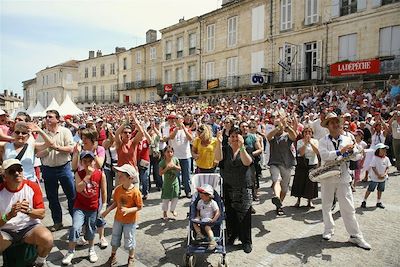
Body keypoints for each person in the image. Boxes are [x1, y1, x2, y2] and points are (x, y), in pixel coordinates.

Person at [318, 112, 371, 250]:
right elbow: (324, 155)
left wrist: (355, 151)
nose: (335, 125)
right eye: (332, 122)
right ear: (327, 126)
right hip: (327, 176)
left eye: (337, 122)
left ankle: (355, 236)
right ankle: (328, 229)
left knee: (348, 207)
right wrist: (340, 152)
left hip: (343, 177)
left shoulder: (348, 138)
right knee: (326, 204)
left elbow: (356, 157)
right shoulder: (323, 140)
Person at [0, 159, 54, 267]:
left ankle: (39, 262)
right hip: (6, 230)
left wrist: (29, 210)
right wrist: (9, 215)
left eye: (19, 170)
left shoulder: (32, 186)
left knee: (48, 239)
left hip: (29, 227)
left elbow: (42, 214)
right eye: (12, 171)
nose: (16, 173)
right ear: (4, 176)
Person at [62, 151, 107, 265]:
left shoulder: (100, 174)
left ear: (94, 161)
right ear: (81, 162)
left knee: (91, 228)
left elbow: (103, 190)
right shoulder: (79, 173)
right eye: (85, 161)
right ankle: (70, 251)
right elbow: (78, 189)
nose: (88, 164)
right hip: (80, 207)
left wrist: (104, 204)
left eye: (90, 161)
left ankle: (91, 249)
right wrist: (87, 176)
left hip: (93, 207)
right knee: (75, 227)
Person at [214, 127, 253, 253]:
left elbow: (247, 162)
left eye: (237, 136)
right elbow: (218, 159)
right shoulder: (225, 149)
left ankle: (246, 241)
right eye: (232, 136)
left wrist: (241, 147)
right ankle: (232, 236)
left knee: (245, 214)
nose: (235, 139)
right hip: (229, 185)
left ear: (241, 137)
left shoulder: (246, 148)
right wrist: (219, 142)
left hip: (243, 185)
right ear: (229, 138)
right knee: (230, 213)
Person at [36, 110, 75, 232]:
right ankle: (57, 222)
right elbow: (37, 154)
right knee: (52, 198)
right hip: (48, 169)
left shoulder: (65, 131)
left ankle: (76, 221)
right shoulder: (42, 134)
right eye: (46, 116)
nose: (47, 119)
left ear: (58, 119)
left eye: (50, 117)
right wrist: (48, 150)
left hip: (64, 167)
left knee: (72, 195)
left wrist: (55, 147)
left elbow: (71, 148)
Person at [101, 164, 143, 267]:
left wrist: (129, 210)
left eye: (121, 176)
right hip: (118, 219)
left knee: (129, 239)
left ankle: (131, 257)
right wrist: (107, 211)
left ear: (130, 178)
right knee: (115, 238)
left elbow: (139, 207)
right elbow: (116, 202)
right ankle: (113, 256)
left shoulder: (135, 192)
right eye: (118, 175)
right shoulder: (118, 189)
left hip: (130, 221)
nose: (118, 177)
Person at [267, 117, 297, 215]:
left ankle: (279, 205)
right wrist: (277, 128)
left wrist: (287, 126)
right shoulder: (272, 136)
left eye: (279, 125)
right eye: (275, 125)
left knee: (284, 188)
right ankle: (276, 196)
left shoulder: (287, 136)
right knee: (276, 179)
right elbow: (268, 137)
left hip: (287, 164)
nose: (278, 127)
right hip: (274, 163)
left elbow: (294, 136)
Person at [291, 127, 319, 208]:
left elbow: (317, 152)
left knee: (311, 182)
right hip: (302, 164)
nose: (307, 133)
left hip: (312, 163)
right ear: (303, 133)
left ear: (312, 133)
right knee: (300, 181)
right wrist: (306, 143)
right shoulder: (300, 141)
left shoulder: (315, 141)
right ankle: (298, 200)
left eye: (309, 132)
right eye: (306, 132)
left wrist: (310, 142)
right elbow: (301, 153)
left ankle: (310, 201)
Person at [168, 114, 193, 198]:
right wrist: (177, 129)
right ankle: (177, 191)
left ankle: (188, 191)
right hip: (176, 156)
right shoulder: (172, 129)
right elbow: (171, 137)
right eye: (176, 119)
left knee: (186, 176)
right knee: (176, 176)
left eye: (178, 118)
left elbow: (190, 139)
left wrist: (184, 129)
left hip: (186, 156)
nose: (176, 120)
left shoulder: (187, 129)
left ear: (182, 120)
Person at [361, 143, 391, 209]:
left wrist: (385, 174)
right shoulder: (375, 158)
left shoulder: (386, 159)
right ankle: (364, 201)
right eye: (382, 149)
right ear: (378, 150)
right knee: (370, 189)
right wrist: (378, 175)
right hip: (375, 178)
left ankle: (378, 202)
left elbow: (388, 167)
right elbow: (373, 167)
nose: (384, 150)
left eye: (385, 149)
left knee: (380, 190)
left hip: (383, 178)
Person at [192, 184, 220, 250]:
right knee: (194, 222)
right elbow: (198, 210)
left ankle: (212, 241)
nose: (200, 197)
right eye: (200, 195)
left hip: (209, 221)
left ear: (208, 196)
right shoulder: (200, 202)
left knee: (207, 227)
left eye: (202, 196)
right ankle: (199, 234)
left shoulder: (213, 203)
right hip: (201, 220)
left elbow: (218, 212)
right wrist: (198, 216)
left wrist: (214, 219)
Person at [159, 146, 181, 220]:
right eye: (167, 152)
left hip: (175, 183)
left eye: (171, 152)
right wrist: (167, 168)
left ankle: (172, 210)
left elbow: (179, 168)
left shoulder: (175, 160)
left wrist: (174, 166)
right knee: (166, 199)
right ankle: (165, 212)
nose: (169, 153)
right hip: (167, 184)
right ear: (164, 153)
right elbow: (160, 173)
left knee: (175, 197)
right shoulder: (162, 162)